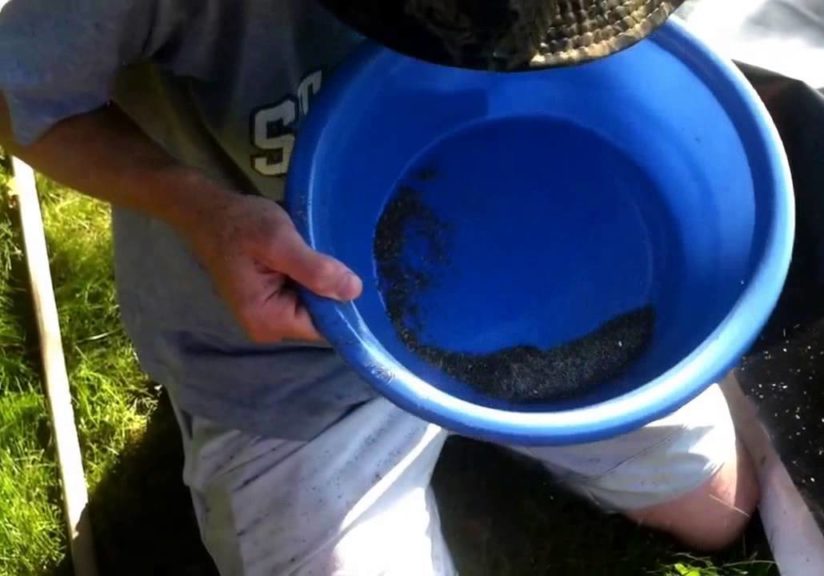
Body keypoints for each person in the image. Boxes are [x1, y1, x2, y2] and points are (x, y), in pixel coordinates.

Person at [0, 1, 759, 573]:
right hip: (281, 365)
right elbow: (12, 92)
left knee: (721, 511)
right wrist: (201, 213)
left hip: (544, 291)